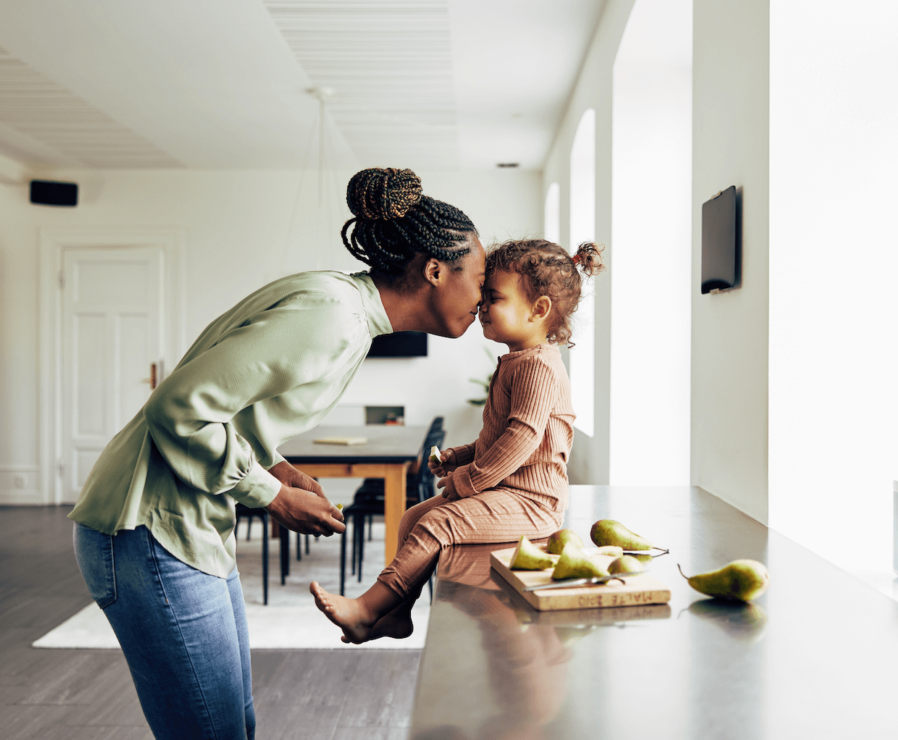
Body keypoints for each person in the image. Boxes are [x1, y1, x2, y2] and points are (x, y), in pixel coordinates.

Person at [69, 167, 486, 740]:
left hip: (181, 528)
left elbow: (231, 409)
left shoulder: (344, 311)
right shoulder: (332, 315)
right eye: (482, 278)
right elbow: (178, 409)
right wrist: (270, 496)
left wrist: (278, 467)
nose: (485, 299)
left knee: (231, 724)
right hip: (147, 530)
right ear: (435, 271)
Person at [310, 238, 605, 644]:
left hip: (534, 503)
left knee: (436, 524)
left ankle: (367, 609)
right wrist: (460, 456)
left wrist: (470, 478)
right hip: (507, 491)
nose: (481, 306)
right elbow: (501, 437)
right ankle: (397, 614)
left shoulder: (538, 366)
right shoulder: (518, 361)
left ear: (538, 311)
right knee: (413, 517)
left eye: (494, 298)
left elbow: (522, 438)